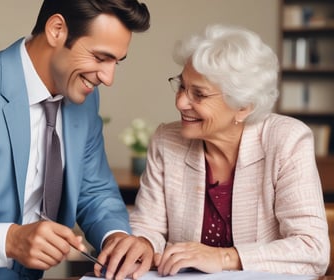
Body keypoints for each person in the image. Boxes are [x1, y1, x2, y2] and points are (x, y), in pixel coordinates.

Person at [0, 1, 154, 279]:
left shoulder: (84, 99)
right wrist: (10, 240)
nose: (108, 78)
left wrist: (116, 238)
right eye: (100, 58)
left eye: (116, 62)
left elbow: (95, 191)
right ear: (56, 30)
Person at [129, 24, 330, 276]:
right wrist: (142, 244)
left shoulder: (286, 139)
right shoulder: (166, 140)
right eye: (181, 86)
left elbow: (312, 249)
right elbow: (147, 227)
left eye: (199, 94)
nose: (180, 102)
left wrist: (223, 257)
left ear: (243, 106)